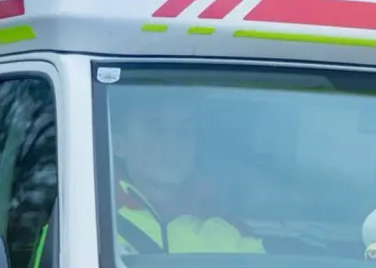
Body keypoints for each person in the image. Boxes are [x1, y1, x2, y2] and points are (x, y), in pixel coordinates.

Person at [110, 93, 264, 258]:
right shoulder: (96, 225)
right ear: (119, 145)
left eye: (184, 130)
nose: (173, 143)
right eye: (156, 130)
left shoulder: (233, 234)